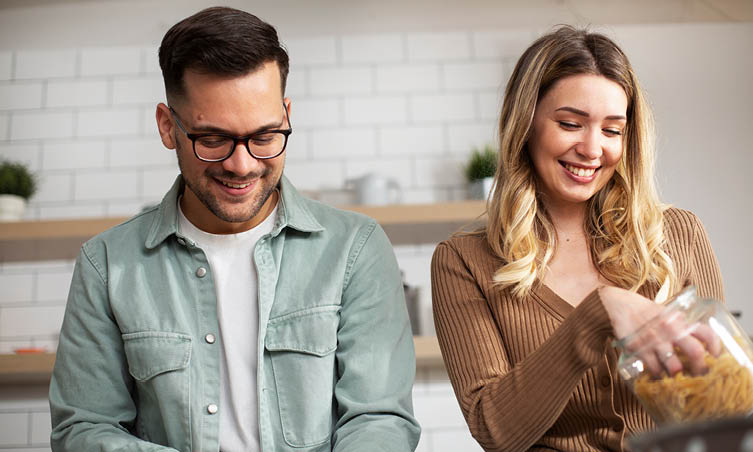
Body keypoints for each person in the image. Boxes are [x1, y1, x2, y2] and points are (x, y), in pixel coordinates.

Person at [49, 7, 420, 452]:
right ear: (168, 127)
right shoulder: (106, 264)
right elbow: (84, 429)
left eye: (264, 136)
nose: (241, 165)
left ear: (286, 115)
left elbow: (379, 419)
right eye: (212, 140)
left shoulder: (355, 248)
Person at [430, 26, 724, 452]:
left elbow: (717, 404)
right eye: (570, 124)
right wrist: (597, 315)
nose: (591, 149)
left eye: (612, 130)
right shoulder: (464, 261)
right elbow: (495, 431)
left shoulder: (679, 235)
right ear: (525, 124)